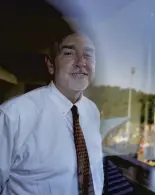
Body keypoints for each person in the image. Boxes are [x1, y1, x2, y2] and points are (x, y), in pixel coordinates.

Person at [0, 30, 104, 195]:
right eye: (69, 53)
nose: (81, 62)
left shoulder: (92, 111)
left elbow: (95, 173)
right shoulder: (13, 115)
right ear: (50, 64)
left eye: (88, 55)